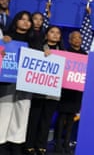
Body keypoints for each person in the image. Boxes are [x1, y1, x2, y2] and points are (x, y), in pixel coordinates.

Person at [24, 25, 65, 155]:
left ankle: (41, 146)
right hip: (38, 91)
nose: (55, 35)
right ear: (46, 34)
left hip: (53, 92)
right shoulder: (38, 48)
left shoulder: (64, 52)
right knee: (34, 119)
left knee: (46, 120)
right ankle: (29, 145)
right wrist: (42, 55)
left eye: (58, 33)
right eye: (52, 32)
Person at [0, 11, 34, 155]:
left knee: (22, 111)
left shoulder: (35, 38)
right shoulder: (7, 36)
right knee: (5, 111)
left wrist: (46, 51)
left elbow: (45, 47)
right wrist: (2, 47)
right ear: (16, 21)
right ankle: (1, 143)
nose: (26, 22)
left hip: (26, 82)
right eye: (22, 19)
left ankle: (16, 144)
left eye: (28, 20)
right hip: (8, 80)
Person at [54, 31, 86, 154]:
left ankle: (67, 143)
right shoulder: (65, 53)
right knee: (61, 117)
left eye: (80, 37)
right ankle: (57, 143)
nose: (77, 40)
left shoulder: (85, 55)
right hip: (65, 91)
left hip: (77, 93)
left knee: (71, 118)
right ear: (70, 40)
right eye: (75, 38)